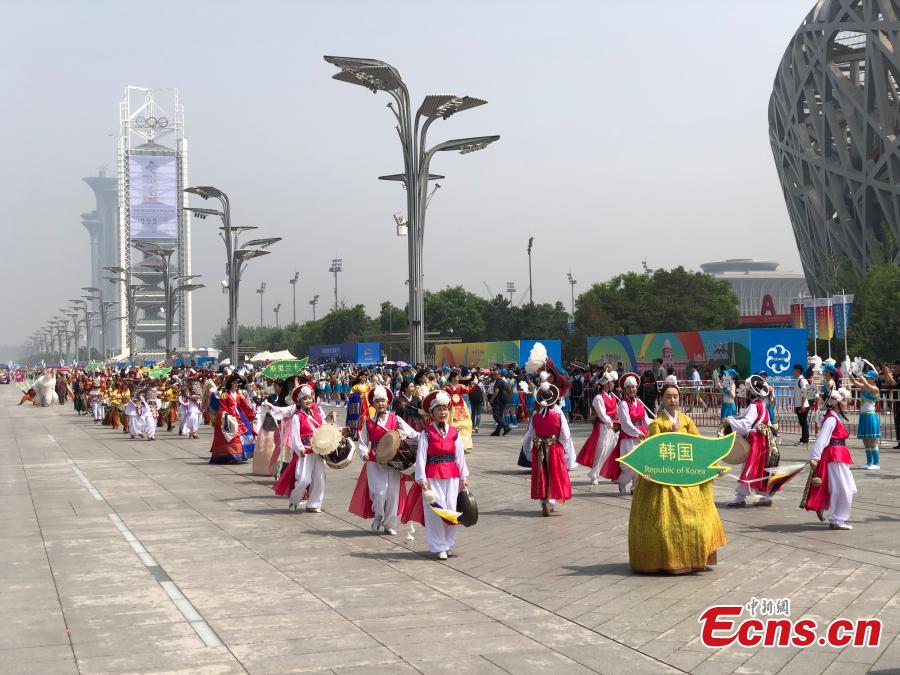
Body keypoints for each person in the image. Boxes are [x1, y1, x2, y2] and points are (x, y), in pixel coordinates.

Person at [628, 383, 726, 573]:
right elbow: (652, 451)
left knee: (696, 520)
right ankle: (670, 562)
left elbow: (700, 448)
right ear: (662, 399)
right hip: (664, 481)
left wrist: (714, 466)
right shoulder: (657, 424)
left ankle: (696, 558)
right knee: (666, 523)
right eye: (668, 397)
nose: (673, 400)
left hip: (687, 478)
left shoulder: (687, 421)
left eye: (675, 396)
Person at [406, 390, 469, 560]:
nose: (443, 413)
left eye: (445, 409)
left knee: (452, 510)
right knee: (435, 511)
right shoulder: (426, 433)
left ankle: (448, 542)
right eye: (439, 410)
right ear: (432, 413)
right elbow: (421, 456)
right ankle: (439, 545)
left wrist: (464, 477)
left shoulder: (454, 432)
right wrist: (422, 479)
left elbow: (460, 456)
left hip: (452, 476)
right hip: (432, 476)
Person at [350, 385, 418, 534]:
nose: (380, 404)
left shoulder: (395, 418)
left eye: (383, 401)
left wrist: (425, 436)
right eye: (377, 401)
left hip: (394, 461)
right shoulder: (368, 423)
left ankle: (389, 525)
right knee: (379, 493)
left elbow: (411, 433)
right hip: (375, 461)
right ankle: (378, 515)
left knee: (393, 494)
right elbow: (362, 443)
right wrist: (363, 454)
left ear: (387, 402)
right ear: (373, 404)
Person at [270, 383, 335, 511]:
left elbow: (324, 428)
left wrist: (330, 420)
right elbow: (295, 436)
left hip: (318, 450)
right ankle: (294, 500)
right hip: (305, 451)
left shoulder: (317, 413)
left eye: (309, 398)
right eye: (304, 399)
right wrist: (300, 448)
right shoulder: (297, 416)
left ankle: (314, 504)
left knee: (319, 479)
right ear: (299, 401)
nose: (308, 401)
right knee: (303, 479)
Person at [803, 388, 857, 530]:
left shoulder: (833, 417)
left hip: (839, 455)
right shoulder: (831, 419)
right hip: (834, 456)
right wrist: (815, 457)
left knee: (846, 488)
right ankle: (837, 519)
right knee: (842, 489)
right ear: (834, 404)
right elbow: (822, 439)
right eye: (843, 401)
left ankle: (836, 517)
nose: (846, 403)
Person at [522, 381, 573, 516]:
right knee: (555, 474)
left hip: (539, 447)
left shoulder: (536, 415)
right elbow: (565, 434)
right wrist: (563, 446)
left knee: (541, 474)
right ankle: (550, 501)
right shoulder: (558, 414)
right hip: (554, 447)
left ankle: (543, 499)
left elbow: (531, 433)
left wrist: (534, 444)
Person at [726, 374, 777, 507]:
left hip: (756, 440)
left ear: (750, 392)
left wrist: (729, 421)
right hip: (765, 439)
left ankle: (740, 497)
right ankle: (765, 496)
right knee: (761, 467)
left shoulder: (754, 406)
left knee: (750, 467)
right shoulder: (763, 405)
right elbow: (768, 423)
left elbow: (746, 424)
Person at [600, 372, 649, 495]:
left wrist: (656, 425)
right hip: (628, 437)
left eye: (634, 387)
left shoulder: (639, 402)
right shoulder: (623, 404)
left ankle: (635, 486)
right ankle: (621, 481)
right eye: (629, 387)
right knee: (630, 464)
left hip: (641, 435)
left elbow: (646, 419)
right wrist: (638, 433)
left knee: (641, 462)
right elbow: (626, 423)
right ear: (625, 390)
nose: (632, 389)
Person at [575, 370, 619, 485]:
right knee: (602, 450)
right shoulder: (598, 398)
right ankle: (594, 473)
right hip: (605, 427)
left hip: (615, 426)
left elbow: (617, 411)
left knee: (614, 450)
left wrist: (619, 423)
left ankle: (613, 474)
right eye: (612, 382)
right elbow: (602, 414)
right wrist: (612, 424)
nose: (613, 384)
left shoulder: (613, 396)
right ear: (606, 384)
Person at [209, 374, 256, 463]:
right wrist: (227, 416)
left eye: (237, 383)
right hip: (228, 417)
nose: (236, 385)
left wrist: (251, 416)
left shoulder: (239, 394)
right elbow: (222, 407)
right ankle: (231, 456)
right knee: (231, 437)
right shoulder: (225, 395)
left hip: (239, 416)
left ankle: (241, 456)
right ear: (230, 384)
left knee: (244, 434)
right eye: (234, 383)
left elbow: (245, 405)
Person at [849, 369, 881, 470]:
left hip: (870, 416)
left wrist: (861, 376)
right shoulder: (866, 387)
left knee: (872, 442)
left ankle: (876, 464)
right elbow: (854, 382)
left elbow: (867, 385)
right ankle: (869, 462)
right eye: (866, 377)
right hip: (863, 416)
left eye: (868, 377)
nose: (866, 378)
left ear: (873, 379)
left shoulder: (875, 389)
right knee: (866, 442)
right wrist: (849, 372)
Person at [444, 370, 474, 452]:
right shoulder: (446, 387)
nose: (459, 378)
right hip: (451, 408)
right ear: (453, 378)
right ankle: (452, 445)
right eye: (458, 377)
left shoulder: (460, 386)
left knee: (465, 425)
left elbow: (469, 390)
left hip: (461, 408)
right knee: (452, 426)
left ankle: (464, 445)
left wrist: (473, 383)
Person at [793, 364, 810, 447]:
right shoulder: (798, 380)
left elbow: (805, 393)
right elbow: (796, 393)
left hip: (803, 405)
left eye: (793, 370)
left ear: (797, 371)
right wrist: (795, 406)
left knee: (804, 423)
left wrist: (802, 405)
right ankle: (803, 439)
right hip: (798, 405)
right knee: (802, 423)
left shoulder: (802, 380)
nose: (792, 372)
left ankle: (805, 440)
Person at [489, 370, 511, 436]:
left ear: (499, 375)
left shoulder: (498, 382)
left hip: (498, 402)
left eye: (496, 374)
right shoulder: (502, 381)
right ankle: (497, 431)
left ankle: (506, 427)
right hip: (502, 401)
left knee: (496, 416)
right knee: (500, 416)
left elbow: (496, 392)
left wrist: (491, 400)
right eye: (494, 374)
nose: (494, 376)